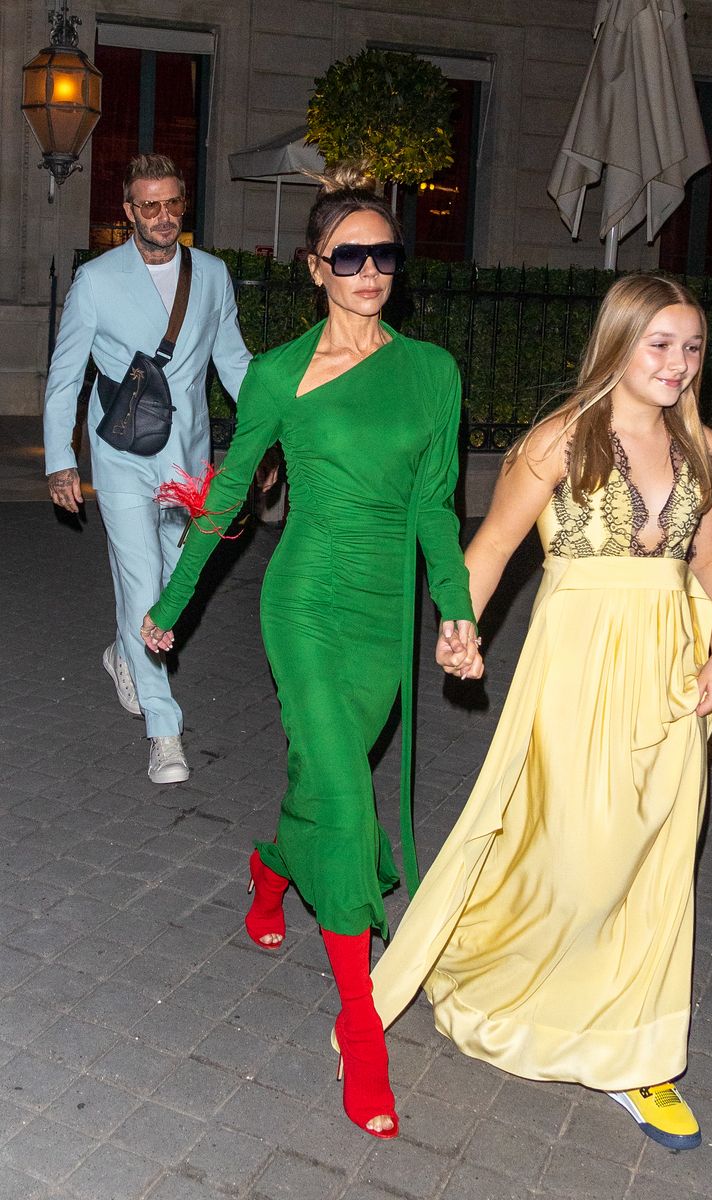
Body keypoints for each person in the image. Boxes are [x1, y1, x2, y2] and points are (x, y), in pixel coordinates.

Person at [140, 166, 481, 1138]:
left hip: (383, 616)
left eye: (384, 255)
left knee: (325, 782)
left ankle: (270, 862)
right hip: (302, 602)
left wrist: (454, 611)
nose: (370, 270)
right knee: (343, 787)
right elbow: (232, 494)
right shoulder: (279, 374)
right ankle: (359, 1022)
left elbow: (431, 505)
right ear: (315, 267)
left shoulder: (431, 371)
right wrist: (169, 603)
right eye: (350, 256)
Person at [370, 274, 712, 1152]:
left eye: (691, 348)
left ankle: (633, 1051)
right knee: (579, 849)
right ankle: (517, 972)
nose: (678, 364)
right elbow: (491, 547)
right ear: (618, 342)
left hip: (671, 672)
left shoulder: (704, 449)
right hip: (576, 670)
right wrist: (459, 627)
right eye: (660, 344)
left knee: (657, 856)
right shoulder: (560, 441)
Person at [44, 154, 253, 785]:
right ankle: (165, 730)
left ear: (183, 205)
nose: (163, 217)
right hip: (121, 455)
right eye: (149, 206)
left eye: (173, 204)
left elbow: (234, 362)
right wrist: (61, 458)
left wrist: (273, 430)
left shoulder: (212, 275)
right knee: (143, 585)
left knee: (169, 579)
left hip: (187, 459)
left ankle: (122, 652)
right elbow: (65, 377)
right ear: (129, 211)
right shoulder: (97, 280)